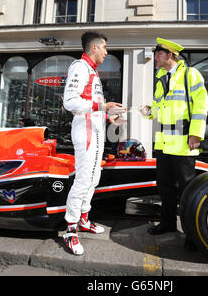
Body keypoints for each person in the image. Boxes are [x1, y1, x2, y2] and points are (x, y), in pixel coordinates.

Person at [139, 38, 208, 250]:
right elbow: (162, 109)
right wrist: (150, 111)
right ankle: (168, 224)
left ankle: (191, 233)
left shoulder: (190, 74)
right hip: (164, 144)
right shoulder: (161, 78)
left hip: (184, 143)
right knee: (165, 188)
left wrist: (196, 134)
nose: (156, 57)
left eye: (158, 53)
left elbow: (201, 106)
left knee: (188, 190)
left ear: (169, 54)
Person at [62, 31, 126, 256]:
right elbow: (70, 102)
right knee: (82, 180)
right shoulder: (79, 66)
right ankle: (70, 230)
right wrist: (104, 107)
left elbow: (92, 105)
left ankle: (83, 219)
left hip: (97, 132)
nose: (107, 52)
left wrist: (110, 117)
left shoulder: (93, 72)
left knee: (93, 178)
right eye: (105, 48)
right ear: (94, 48)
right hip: (85, 134)